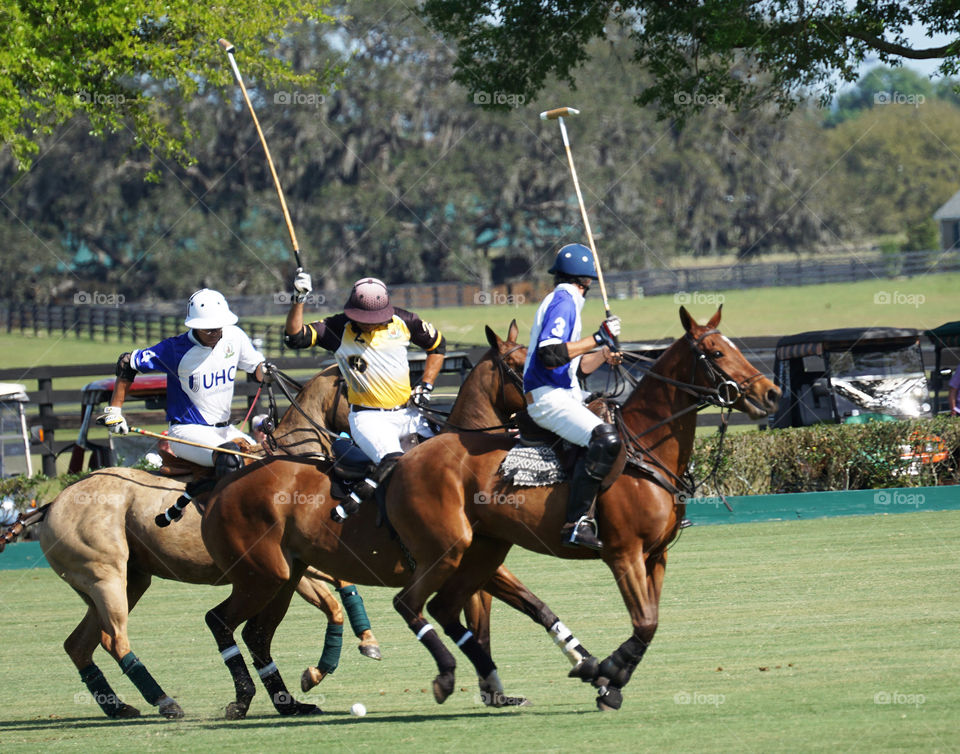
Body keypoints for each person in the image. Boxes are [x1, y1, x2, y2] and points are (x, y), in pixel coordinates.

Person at [284, 273, 445, 522]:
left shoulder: (405, 321)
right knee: (395, 462)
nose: (370, 324)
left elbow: (437, 346)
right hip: (369, 418)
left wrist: (426, 385)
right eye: (364, 319)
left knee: (447, 456)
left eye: (376, 319)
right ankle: (382, 518)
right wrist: (299, 298)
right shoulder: (338, 328)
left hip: (410, 412)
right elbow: (295, 337)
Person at [98, 288, 268, 473]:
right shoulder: (174, 349)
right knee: (230, 460)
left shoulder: (234, 336)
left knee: (266, 459)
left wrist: (266, 371)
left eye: (218, 328)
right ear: (194, 326)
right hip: (188, 433)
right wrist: (114, 410)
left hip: (226, 430)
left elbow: (257, 368)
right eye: (208, 329)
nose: (215, 334)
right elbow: (127, 362)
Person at [523, 243, 623, 550]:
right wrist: (597, 336)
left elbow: (574, 367)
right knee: (604, 439)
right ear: (588, 279)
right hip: (548, 398)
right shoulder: (564, 301)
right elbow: (550, 354)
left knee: (620, 418)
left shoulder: (568, 302)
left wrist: (603, 352)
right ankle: (577, 523)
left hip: (565, 392)